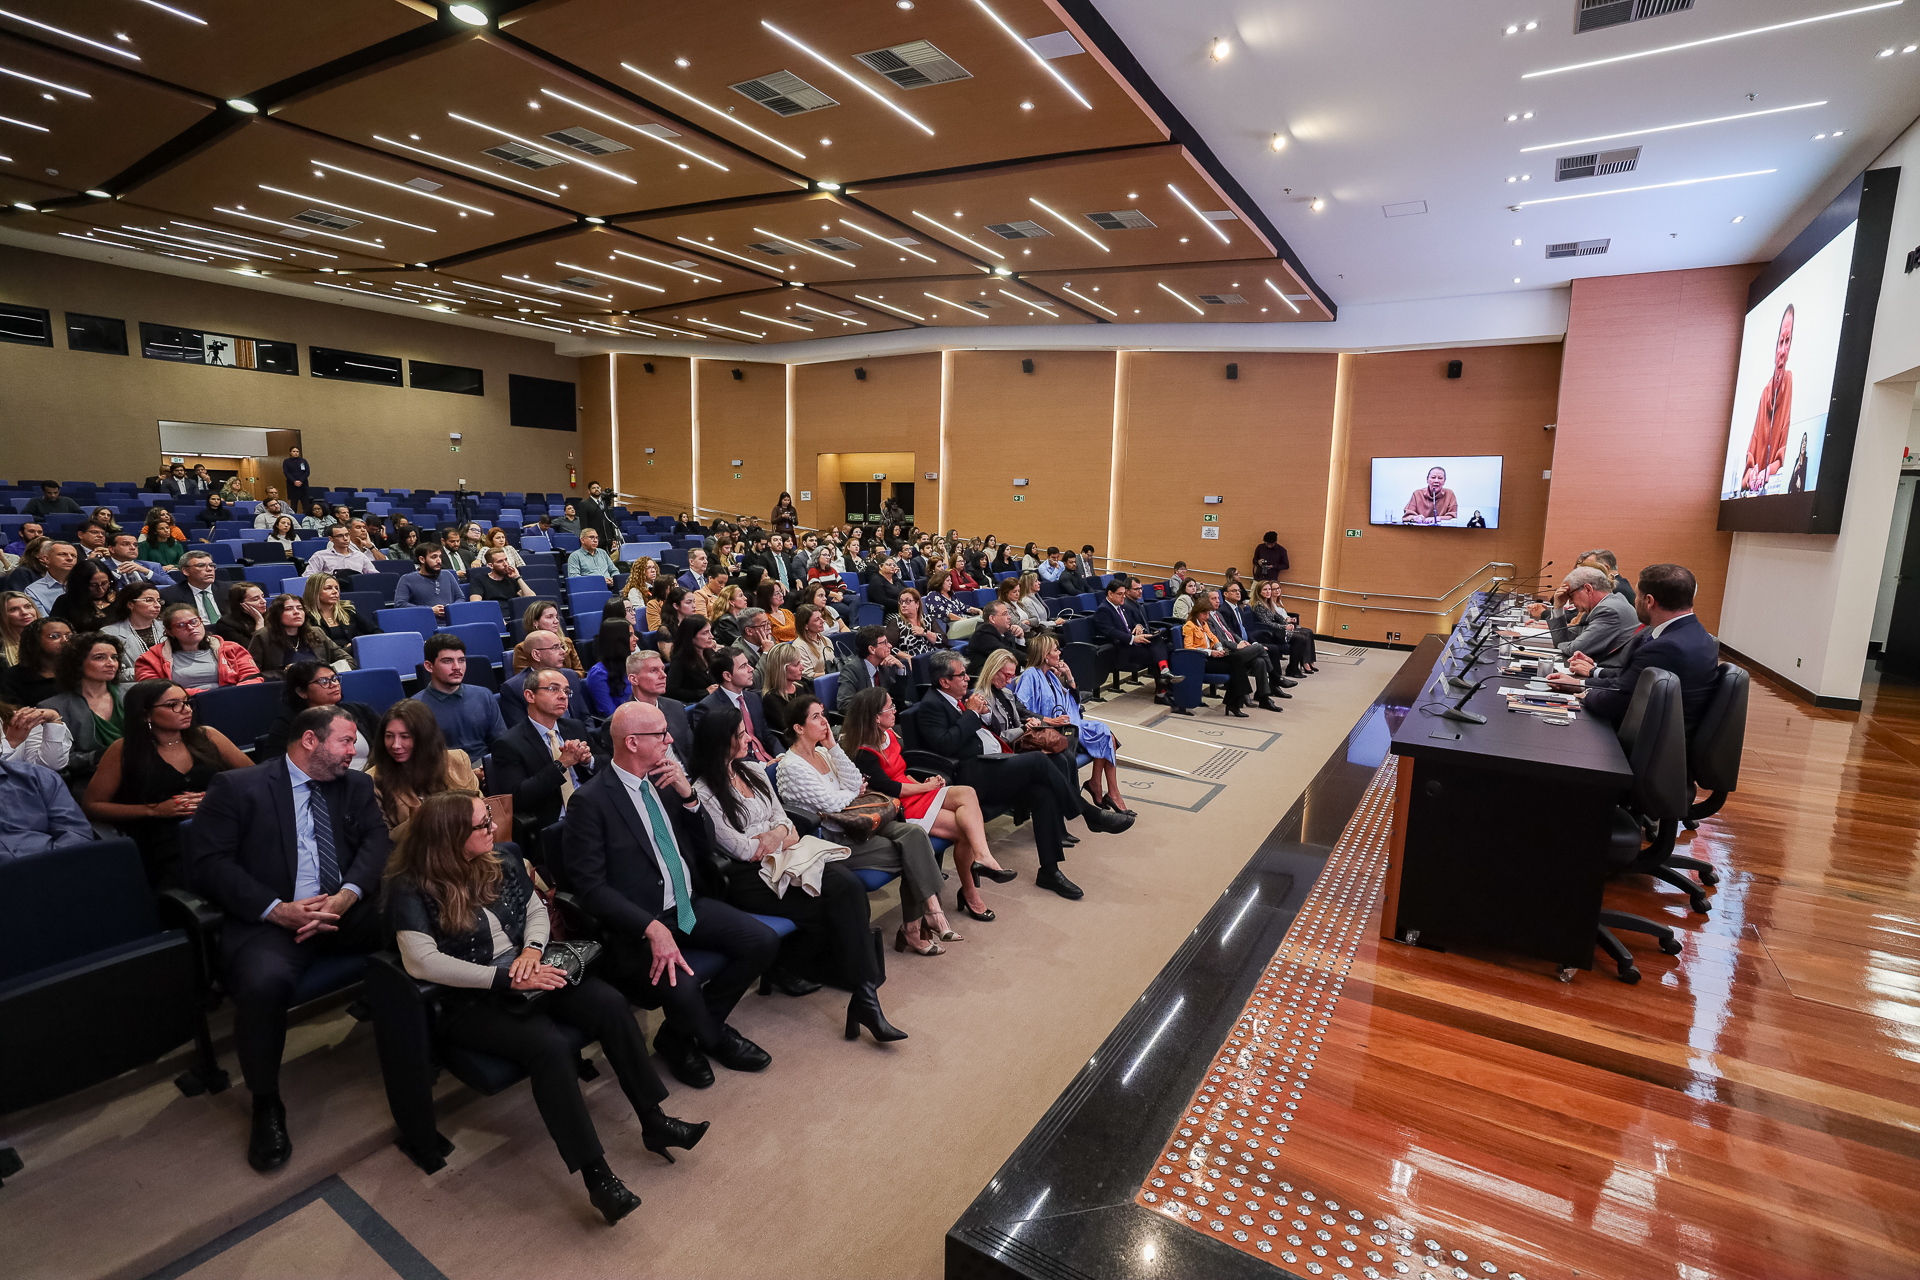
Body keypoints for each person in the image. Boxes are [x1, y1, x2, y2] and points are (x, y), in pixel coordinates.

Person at [388, 791, 702, 1225]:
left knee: (610, 1004)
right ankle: (598, 1178)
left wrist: (532, 952)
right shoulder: (411, 886)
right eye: (483, 824)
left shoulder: (499, 858)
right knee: (549, 1048)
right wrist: (507, 977)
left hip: (531, 972)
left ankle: (655, 1120)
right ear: (451, 835)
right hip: (472, 997)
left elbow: (537, 908)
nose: (493, 827)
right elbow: (422, 961)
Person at [187, 706, 388, 1171]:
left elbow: (378, 844)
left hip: (343, 911)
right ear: (310, 741)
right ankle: (266, 1102)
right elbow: (209, 865)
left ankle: (426, 1035)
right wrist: (277, 910)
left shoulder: (355, 784)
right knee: (261, 985)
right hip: (273, 920)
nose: (354, 751)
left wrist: (346, 895)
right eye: (345, 741)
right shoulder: (239, 788)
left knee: (418, 914)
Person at [689, 704, 905, 1042]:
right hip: (748, 878)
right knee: (839, 899)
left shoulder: (753, 771)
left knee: (845, 888)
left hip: (789, 858)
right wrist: (777, 835)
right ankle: (857, 994)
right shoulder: (704, 792)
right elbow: (743, 850)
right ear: (721, 741)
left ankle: (863, 997)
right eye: (741, 734)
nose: (750, 738)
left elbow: (786, 823)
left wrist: (773, 836)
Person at [917, 650, 1126, 901]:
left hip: (995, 762)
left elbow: (989, 729)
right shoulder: (931, 705)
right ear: (944, 681)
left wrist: (979, 715)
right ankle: (1089, 814)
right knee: (1039, 760)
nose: (966, 679)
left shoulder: (960, 697)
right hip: (972, 776)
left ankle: (1049, 870)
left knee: (1043, 794)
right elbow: (945, 745)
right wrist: (972, 714)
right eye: (961, 676)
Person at [776, 694, 954, 955]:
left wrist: (833, 747)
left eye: (824, 714)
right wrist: (853, 792)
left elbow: (855, 780)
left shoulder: (824, 753)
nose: (824, 721)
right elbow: (831, 803)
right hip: (832, 840)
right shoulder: (791, 767)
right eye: (816, 717)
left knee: (915, 835)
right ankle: (917, 927)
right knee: (914, 853)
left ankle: (924, 920)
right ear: (798, 728)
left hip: (860, 824)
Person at [838, 685, 1008, 921]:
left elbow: (902, 772)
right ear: (876, 717)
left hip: (911, 791)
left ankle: (983, 857)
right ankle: (970, 893)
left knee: (967, 793)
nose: (895, 710)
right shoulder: (862, 752)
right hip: (898, 806)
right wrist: (926, 787)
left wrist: (921, 782)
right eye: (891, 707)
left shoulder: (888, 735)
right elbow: (890, 788)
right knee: (963, 830)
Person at [85, 678, 251, 887]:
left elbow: (253, 780)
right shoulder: (123, 750)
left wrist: (215, 798)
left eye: (186, 702)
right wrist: (155, 810)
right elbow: (93, 806)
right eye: (173, 705)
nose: (186, 710)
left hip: (221, 823)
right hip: (164, 838)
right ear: (146, 713)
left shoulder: (208, 736)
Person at [1555, 564, 1720, 733]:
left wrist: (1585, 693)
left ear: (1649, 601)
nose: (1634, 601)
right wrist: (1579, 683)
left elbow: (1614, 702)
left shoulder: (1665, 647)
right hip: (1661, 732)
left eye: (1637, 596)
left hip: (1647, 741)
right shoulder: (1694, 633)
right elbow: (1628, 680)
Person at [1017, 634, 1127, 812]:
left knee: (1105, 733)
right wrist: (1049, 720)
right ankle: (1102, 789)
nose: (1059, 653)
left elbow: (1073, 702)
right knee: (1107, 737)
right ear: (1045, 654)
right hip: (1051, 731)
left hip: (1067, 724)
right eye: (1055, 650)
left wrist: (1068, 675)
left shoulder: (1051, 677)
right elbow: (1019, 707)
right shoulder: (1031, 675)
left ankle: (1101, 787)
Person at [368, 699, 481, 836]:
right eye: (389, 736)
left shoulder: (458, 760)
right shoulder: (372, 780)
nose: (395, 745)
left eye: (405, 737)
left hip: (467, 843)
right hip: (417, 853)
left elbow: (482, 807)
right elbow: (383, 839)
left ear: (425, 738)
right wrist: (420, 819)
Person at [37, 630, 124, 783]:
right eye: (100, 658)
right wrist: (100, 755)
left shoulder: (133, 693)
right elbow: (61, 760)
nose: (111, 663)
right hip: (90, 780)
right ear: (77, 663)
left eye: (114, 657)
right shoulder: (53, 706)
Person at [259, 662, 378, 764]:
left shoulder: (361, 710)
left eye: (335, 679)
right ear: (301, 692)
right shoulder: (288, 724)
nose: (334, 685)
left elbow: (387, 745)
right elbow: (272, 765)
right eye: (324, 681)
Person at [411, 633, 505, 757]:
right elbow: (423, 759)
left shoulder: (484, 695)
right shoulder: (415, 708)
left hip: (489, 768)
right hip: (444, 773)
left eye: (461, 660)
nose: (457, 667)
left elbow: (501, 742)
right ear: (429, 666)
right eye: (447, 661)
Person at [1523, 566, 1638, 667]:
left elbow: (1576, 648)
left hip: (1610, 679)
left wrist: (1563, 645)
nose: (1571, 602)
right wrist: (1558, 607)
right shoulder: (1597, 608)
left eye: (1571, 595)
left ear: (1588, 589)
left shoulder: (1608, 610)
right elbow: (1564, 639)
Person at [136, 603, 263, 693]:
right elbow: (154, 693)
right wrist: (207, 696)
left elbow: (253, 678)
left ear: (201, 622)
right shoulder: (150, 660)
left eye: (194, 622)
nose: (190, 628)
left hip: (232, 701)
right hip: (183, 709)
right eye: (180, 625)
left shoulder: (233, 649)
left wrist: (229, 695)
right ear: (169, 632)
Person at [1094, 576, 1184, 701]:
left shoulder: (1121, 607)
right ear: (1110, 594)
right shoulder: (1104, 610)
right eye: (1120, 594)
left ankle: (1165, 676)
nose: (1123, 597)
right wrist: (1133, 639)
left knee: (1158, 640)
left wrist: (1138, 626)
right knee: (1158, 653)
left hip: (1131, 645)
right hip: (1121, 650)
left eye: (1123, 594)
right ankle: (1162, 692)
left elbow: (1132, 622)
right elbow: (1110, 631)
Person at [1184, 591, 1268, 717]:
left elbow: (1214, 638)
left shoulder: (1203, 623)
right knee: (1236, 665)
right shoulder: (1188, 626)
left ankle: (1234, 703)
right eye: (1204, 614)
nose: (1207, 617)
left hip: (1212, 656)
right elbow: (1189, 648)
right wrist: (1210, 652)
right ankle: (1235, 702)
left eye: (1208, 613)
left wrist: (1218, 648)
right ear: (1197, 612)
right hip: (1201, 660)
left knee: (1236, 660)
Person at [689, 647, 781, 760]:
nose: (751, 669)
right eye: (743, 666)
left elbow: (767, 735)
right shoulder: (708, 709)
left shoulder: (753, 698)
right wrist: (762, 765)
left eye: (748, 664)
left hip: (769, 759)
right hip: (743, 767)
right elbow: (721, 752)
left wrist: (781, 755)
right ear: (727, 676)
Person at [1740, 305, 1795, 494]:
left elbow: (1782, 458)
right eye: (1781, 342)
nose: (1783, 350)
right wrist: (1753, 473)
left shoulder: (1788, 381)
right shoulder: (1765, 393)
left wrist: (1766, 472)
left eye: (1788, 342)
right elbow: (1746, 476)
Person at [1212, 585, 1286, 709]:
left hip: (1239, 645)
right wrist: (1238, 645)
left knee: (1260, 661)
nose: (1217, 601)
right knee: (1261, 649)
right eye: (1213, 599)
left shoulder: (1225, 612)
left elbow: (1232, 633)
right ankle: (1275, 677)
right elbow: (1218, 639)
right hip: (1227, 651)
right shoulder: (1218, 613)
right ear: (1225, 594)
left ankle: (1264, 697)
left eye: (1238, 591)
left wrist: (1245, 642)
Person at [499, 629, 587, 730]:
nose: (563, 652)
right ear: (536, 655)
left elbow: (584, 717)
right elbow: (521, 731)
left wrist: (586, 740)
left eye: (561, 646)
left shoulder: (571, 676)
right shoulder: (514, 687)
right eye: (555, 648)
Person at [249, 593, 351, 677]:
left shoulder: (317, 632)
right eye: (289, 609)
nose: (296, 612)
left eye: (300, 608)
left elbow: (348, 660)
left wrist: (320, 671)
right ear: (277, 615)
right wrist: (286, 673)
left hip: (321, 687)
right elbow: (252, 674)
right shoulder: (263, 636)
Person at [626, 648, 693, 763]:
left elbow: (691, 749)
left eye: (663, 669)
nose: (664, 675)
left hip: (688, 774)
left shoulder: (676, 707)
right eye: (653, 671)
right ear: (634, 679)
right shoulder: (623, 721)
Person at [101, 582, 166, 684]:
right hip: (135, 688)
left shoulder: (167, 627)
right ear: (130, 604)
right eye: (149, 600)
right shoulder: (109, 633)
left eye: (158, 601)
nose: (157, 605)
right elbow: (112, 671)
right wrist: (151, 672)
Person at [837, 625, 909, 716]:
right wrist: (875, 714)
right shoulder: (852, 670)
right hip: (866, 723)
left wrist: (900, 669)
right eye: (885, 643)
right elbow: (844, 705)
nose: (890, 646)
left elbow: (898, 697)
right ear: (871, 649)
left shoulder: (882, 666)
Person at [303, 573, 377, 660]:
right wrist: (349, 649)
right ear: (314, 591)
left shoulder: (348, 610)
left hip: (356, 656)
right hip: (329, 660)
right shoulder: (305, 616)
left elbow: (376, 632)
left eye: (337, 588)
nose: (335, 591)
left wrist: (359, 644)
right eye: (328, 588)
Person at [1251, 579, 1317, 676]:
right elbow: (1267, 623)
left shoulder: (1268, 603)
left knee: (1304, 636)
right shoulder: (1259, 605)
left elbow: (1278, 617)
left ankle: (1295, 667)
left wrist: (1287, 624)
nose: (1268, 592)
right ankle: (1292, 668)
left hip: (1275, 630)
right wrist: (1284, 626)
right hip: (1268, 633)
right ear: (1259, 592)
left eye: (1269, 589)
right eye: (1265, 590)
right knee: (1300, 638)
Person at [1, 616, 69, 706]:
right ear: (35, 641)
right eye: (55, 636)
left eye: (70, 636)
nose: (66, 640)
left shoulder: (81, 670)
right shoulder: (12, 678)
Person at [515, 601, 585, 677]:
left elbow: (580, 672)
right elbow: (524, 678)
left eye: (556, 617)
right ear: (535, 622)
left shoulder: (567, 642)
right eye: (549, 617)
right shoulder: (522, 648)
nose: (556, 621)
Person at [392, 545, 462, 620]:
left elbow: (461, 598)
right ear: (422, 559)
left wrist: (451, 608)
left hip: (451, 621)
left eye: (440, 557)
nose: (439, 561)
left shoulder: (448, 575)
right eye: (434, 557)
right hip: (424, 622)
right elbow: (400, 604)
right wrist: (429, 610)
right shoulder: (407, 579)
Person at [583, 620, 635, 717]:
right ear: (617, 640)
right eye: (630, 635)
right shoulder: (598, 673)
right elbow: (610, 713)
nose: (636, 638)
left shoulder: (632, 665)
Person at [159, 550, 224, 627]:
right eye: (201, 566)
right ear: (186, 571)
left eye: (211, 565)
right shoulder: (169, 595)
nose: (209, 569)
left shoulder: (228, 590)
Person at [664, 616, 719, 705]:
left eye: (710, 631)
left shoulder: (709, 652)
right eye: (705, 633)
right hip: (698, 704)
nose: (711, 636)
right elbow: (671, 691)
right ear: (691, 637)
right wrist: (703, 693)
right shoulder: (680, 661)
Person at [50, 558, 113, 632]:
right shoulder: (65, 602)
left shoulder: (119, 599)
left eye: (104, 583)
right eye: (93, 585)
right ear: (81, 584)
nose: (101, 589)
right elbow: (56, 630)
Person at [964, 600, 1025, 675]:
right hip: (985, 681)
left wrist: (1020, 638)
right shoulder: (982, 634)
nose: (1009, 617)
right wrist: (1032, 661)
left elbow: (1017, 651)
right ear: (992, 619)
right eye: (1005, 614)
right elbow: (1006, 653)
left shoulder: (1006, 632)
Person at [303, 523, 376, 584]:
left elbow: (374, 576)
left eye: (347, 535)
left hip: (356, 588)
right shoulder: (320, 556)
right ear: (331, 538)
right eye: (340, 536)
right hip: (330, 590)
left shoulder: (360, 555)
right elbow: (308, 576)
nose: (345, 538)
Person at [469, 546, 535, 608]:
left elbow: (531, 599)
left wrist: (518, 577)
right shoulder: (479, 579)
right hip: (495, 615)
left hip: (514, 615)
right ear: (490, 566)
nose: (505, 564)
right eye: (500, 561)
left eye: (506, 560)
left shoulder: (511, 579)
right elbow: (476, 604)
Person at [24, 540, 77, 615]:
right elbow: (43, 622)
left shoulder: (88, 584)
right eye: (62, 554)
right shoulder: (34, 591)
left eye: (73, 556)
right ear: (47, 559)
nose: (70, 558)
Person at [210, 582, 269, 648]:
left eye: (263, 596)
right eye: (256, 599)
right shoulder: (227, 624)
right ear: (240, 604)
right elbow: (253, 650)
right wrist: (259, 622)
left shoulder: (272, 616)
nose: (264, 601)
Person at [0, 590, 39, 668]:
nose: (24, 612)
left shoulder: (51, 639)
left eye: (28, 606)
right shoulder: (2, 651)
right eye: (14, 609)